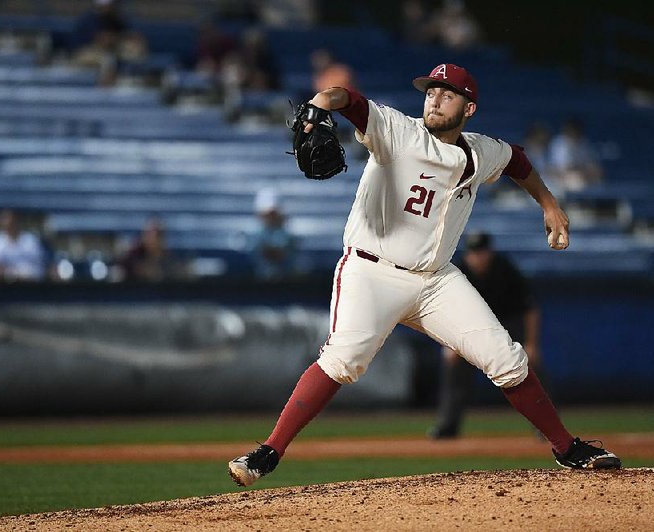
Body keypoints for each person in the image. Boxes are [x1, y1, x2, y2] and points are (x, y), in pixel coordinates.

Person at [228, 63, 621, 487]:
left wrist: (548, 203)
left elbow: (517, 160)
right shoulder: (398, 130)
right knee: (343, 361)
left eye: (446, 93)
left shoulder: (480, 150)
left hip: (435, 280)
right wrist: (322, 101)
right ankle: (268, 452)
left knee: (506, 359)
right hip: (371, 271)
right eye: (431, 90)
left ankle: (566, 447)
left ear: (469, 108)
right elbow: (350, 100)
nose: (434, 98)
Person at [428, 231, 542, 439]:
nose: (477, 257)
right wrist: (450, 345)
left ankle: (545, 427)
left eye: (481, 252)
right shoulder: (458, 271)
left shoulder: (505, 269)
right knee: (454, 367)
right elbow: (448, 312)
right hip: (472, 327)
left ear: (490, 252)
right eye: (473, 252)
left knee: (529, 368)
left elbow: (529, 309)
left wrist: (531, 343)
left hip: (507, 325)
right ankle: (448, 425)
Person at [0, 209, 46, 281]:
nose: (9, 224)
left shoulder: (31, 240)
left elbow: (41, 264)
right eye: (5, 220)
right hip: (6, 286)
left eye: (11, 221)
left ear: (16, 221)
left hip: (33, 284)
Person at [249, 189, 297, 280]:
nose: (271, 217)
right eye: (267, 214)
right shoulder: (252, 236)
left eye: (273, 214)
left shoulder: (289, 236)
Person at [548, 117, 603, 192]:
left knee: (597, 175)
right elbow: (562, 169)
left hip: (581, 175)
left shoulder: (583, 143)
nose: (574, 133)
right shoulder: (559, 144)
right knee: (577, 180)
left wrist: (588, 170)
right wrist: (582, 170)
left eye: (576, 131)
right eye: (571, 131)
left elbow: (592, 165)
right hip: (560, 178)